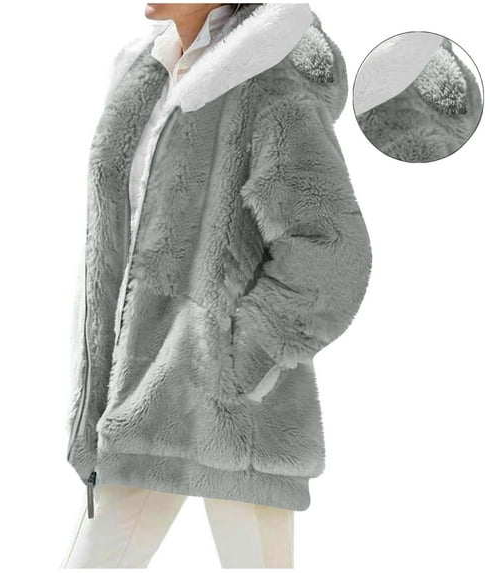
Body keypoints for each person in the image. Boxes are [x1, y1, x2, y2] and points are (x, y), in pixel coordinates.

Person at [62, 3, 372, 568]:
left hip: (235, 418)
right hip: (137, 406)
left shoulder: (267, 79)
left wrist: (234, 363)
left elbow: (332, 246)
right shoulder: (145, 75)